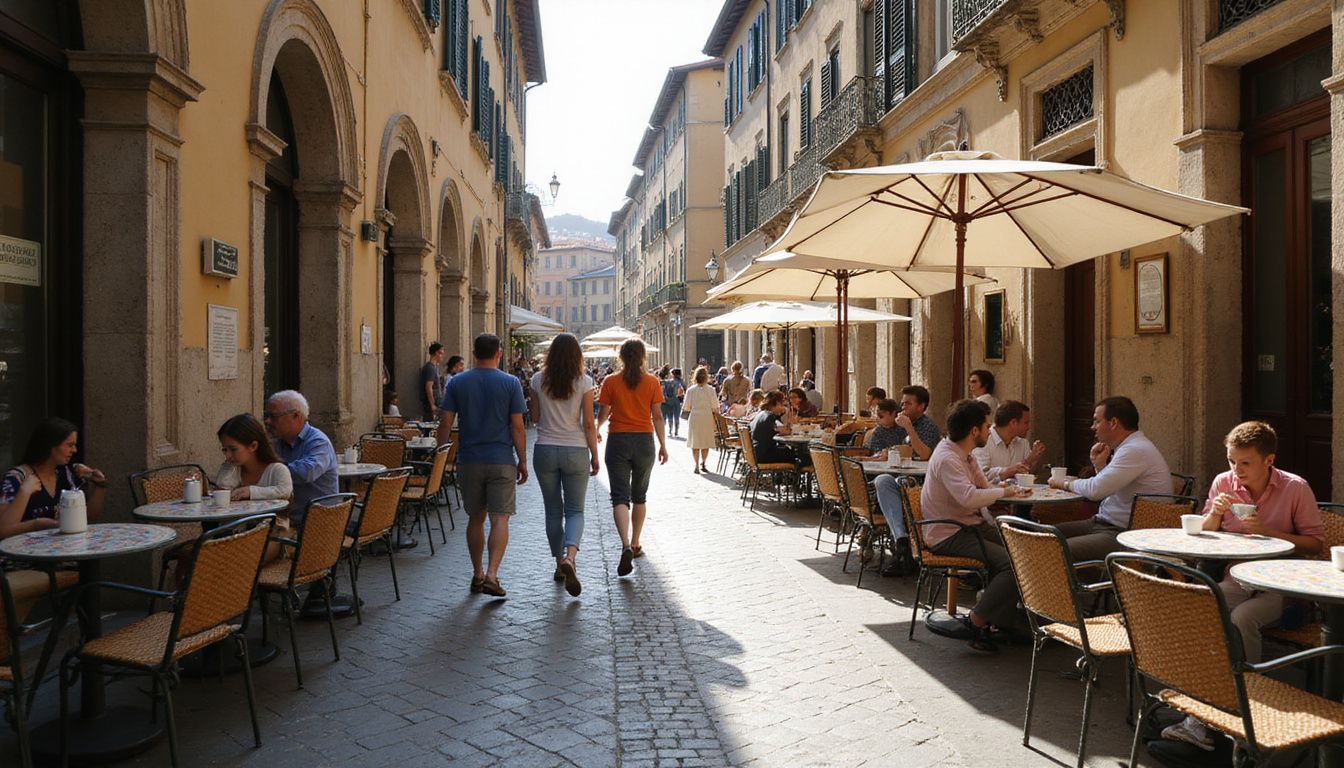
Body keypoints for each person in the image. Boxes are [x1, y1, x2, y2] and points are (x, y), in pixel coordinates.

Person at [1159, 421, 1323, 751]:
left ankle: (1249, 709)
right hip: (1238, 576)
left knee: (1242, 618)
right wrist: (1216, 515)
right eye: (1232, 460)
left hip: (1284, 585)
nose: (1236, 469)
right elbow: (1204, 532)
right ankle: (1206, 710)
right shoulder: (1224, 482)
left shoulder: (1295, 488)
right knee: (1205, 607)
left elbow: (1315, 544)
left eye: (1245, 462)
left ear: (1269, 460)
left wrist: (1267, 530)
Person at [921, 399, 1030, 653]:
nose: (989, 429)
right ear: (974, 431)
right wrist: (1004, 494)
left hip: (969, 524)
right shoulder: (948, 458)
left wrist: (1010, 491)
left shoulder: (965, 455)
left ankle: (1001, 623)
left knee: (1022, 551)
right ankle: (976, 621)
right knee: (1012, 563)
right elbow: (968, 497)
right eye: (986, 426)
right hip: (948, 532)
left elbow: (984, 488)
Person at [438, 333, 528, 598]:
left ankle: (477, 574)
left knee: (475, 519)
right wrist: (522, 461)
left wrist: (440, 454)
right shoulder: (511, 383)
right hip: (501, 460)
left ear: (474, 354)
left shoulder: (457, 382)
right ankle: (492, 574)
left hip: (470, 460)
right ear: (498, 354)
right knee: (500, 519)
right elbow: (518, 427)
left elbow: (445, 422)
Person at [1047, 396, 1172, 561]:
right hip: (1103, 524)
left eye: (1097, 421)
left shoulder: (1134, 450)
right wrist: (1099, 466)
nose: (1093, 427)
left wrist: (1063, 483)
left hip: (1124, 535)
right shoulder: (1129, 447)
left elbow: (1096, 490)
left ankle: (1072, 586)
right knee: (1038, 535)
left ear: (1113, 423)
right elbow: (1107, 488)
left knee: (1049, 550)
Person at [528, 333, 598, 598]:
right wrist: (595, 454)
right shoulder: (585, 382)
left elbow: (534, 418)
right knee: (575, 510)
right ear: (577, 355)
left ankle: (559, 564)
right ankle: (571, 557)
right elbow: (589, 423)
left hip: (545, 448)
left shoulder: (537, 379)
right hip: (576, 448)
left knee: (553, 510)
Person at [597, 338, 667, 578]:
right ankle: (636, 542)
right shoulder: (653, 382)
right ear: (643, 357)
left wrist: (596, 429)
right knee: (640, 496)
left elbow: (604, 412)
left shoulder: (610, 381)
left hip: (617, 440)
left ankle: (625, 544)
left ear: (621, 357)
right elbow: (657, 416)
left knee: (619, 497)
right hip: (644, 441)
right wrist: (663, 445)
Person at [0, 417, 108, 540]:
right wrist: (36, 523)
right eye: (70, 445)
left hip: (60, 552)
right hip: (23, 556)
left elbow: (88, 517)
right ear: (50, 444)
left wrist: (100, 485)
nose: (74, 450)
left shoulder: (67, 475)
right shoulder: (17, 478)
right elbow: (3, 531)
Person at [266, 390, 338, 525]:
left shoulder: (318, 442)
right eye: (267, 415)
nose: (268, 421)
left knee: (257, 543)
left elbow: (307, 473)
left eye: (274, 416)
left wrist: (271, 469)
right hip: (286, 519)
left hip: (316, 526)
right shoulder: (279, 442)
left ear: (296, 416)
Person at [973, 400, 1046, 482]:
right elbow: (981, 476)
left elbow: (1027, 476)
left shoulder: (1023, 443)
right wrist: (1009, 470)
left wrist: (1032, 458)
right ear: (1013, 422)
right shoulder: (983, 441)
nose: (1028, 427)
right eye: (1026, 423)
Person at [749, 391, 801, 467]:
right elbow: (786, 431)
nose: (783, 408)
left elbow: (777, 429)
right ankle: (794, 476)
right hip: (765, 455)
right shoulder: (769, 416)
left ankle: (781, 478)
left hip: (757, 453)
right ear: (776, 403)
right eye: (782, 405)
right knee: (796, 455)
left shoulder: (762, 414)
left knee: (788, 452)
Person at [683, 367, 719, 474]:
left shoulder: (690, 390)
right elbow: (715, 406)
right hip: (707, 417)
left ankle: (696, 464)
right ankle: (703, 463)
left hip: (695, 417)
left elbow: (686, 407)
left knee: (695, 442)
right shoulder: (711, 390)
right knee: (705, 442)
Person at [420, 342, 445, 421]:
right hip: (432, 403)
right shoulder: (430, 368)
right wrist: (432, 404)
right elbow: (428, 387)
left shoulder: (433, 367)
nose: (442, 356)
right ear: (437, 353)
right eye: (441, 353)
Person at [661, 368, 685, 438]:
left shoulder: (667, 382)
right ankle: (676, 431)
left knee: (670, 416)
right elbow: (684, 390)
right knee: (677, 416)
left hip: (668, 401)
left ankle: (670, 430)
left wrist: (665, 396)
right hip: (676, 400)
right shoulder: (681, 382)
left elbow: (664, 390)